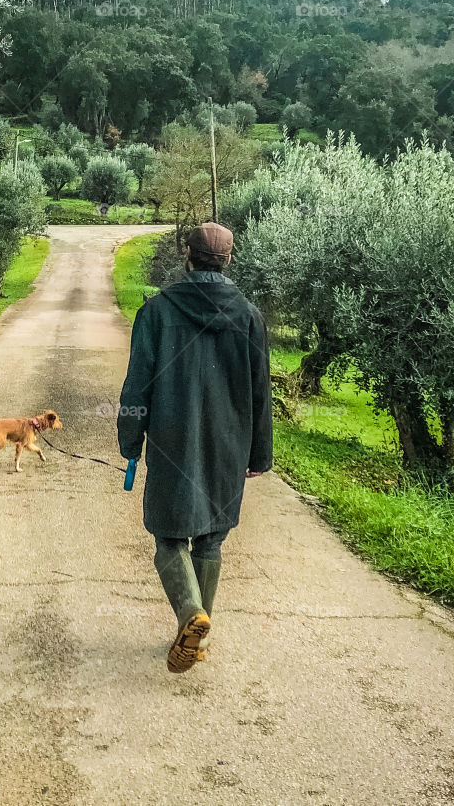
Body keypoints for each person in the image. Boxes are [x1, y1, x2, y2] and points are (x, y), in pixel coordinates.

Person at [117, 221, 273, 673]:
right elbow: (261, 391)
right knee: (210, 538)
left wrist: (130, 440)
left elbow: (135, 389)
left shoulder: (157, 312)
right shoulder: (249, 316)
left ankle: (191, 614)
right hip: (229, 444)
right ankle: (199, 636)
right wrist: (259, 454)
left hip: (172, 442)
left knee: (168, 535)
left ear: (187, 255)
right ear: (229, 260)